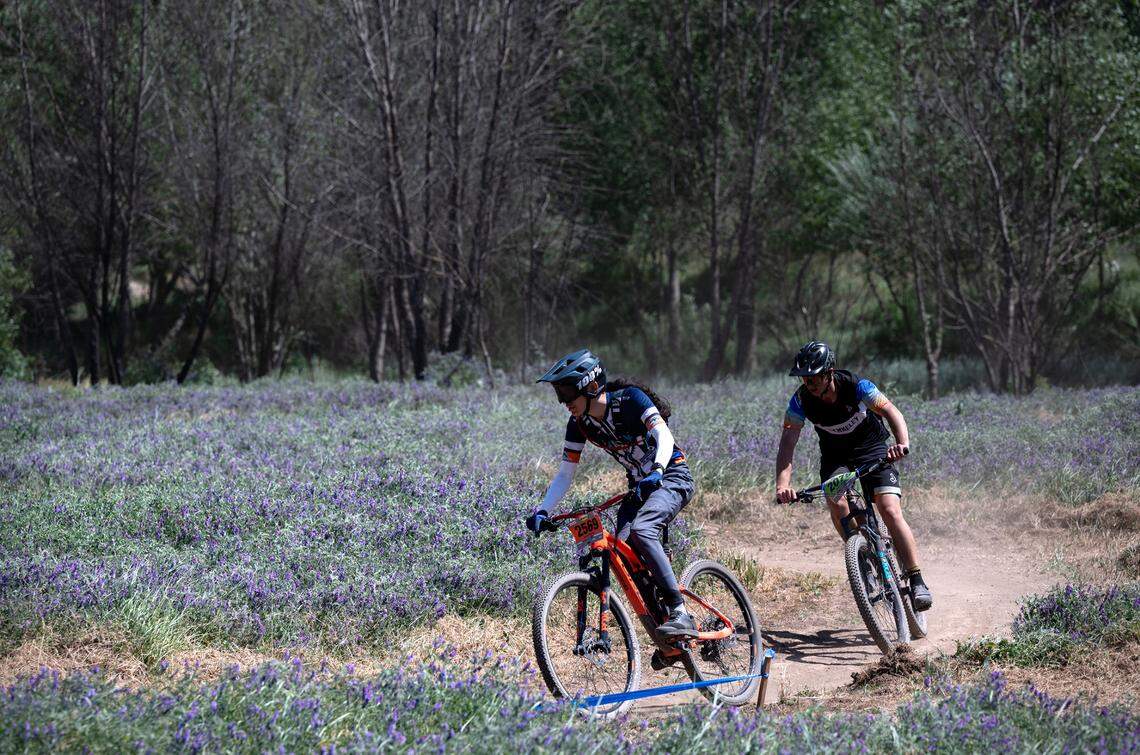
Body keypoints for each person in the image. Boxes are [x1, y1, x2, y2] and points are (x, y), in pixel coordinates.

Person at [525, 348, 697, 636]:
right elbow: (566, 472)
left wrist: (656, 470)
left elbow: (663, 435)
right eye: (559, 394)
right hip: (639, 489)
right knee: (622, 547)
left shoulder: (630, 400)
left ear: (591, 386)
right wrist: (543, 509)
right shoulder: (580, 424)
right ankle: (666, 632)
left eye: (567, 392)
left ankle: (680, 611)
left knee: (642, 531)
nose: (564, 402)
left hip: (671, 476)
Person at [774, 340, 933, 610]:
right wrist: (783, 485)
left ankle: (916, 578)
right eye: (804, 378)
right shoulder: (800, 401)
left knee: (889, 510)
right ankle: (862, 558)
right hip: (836, 457)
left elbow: (890, 410)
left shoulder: (857, 386)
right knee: (837, 503)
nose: (808, 384)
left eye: (813, 378)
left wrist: (901, 443)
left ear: (829, 372)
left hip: (871, 448)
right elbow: (788, 441)